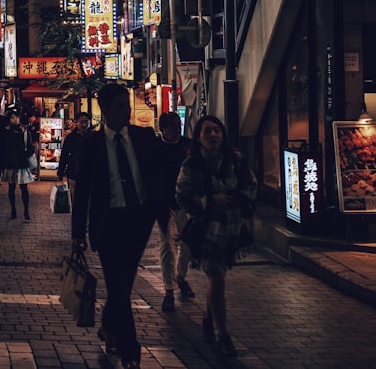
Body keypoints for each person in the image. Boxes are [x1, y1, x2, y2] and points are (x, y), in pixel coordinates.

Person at [71, 83, 166, 369]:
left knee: (123, 285)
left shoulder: (144, 137)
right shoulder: (91, 145)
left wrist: (160, 211)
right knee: (118, 285)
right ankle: (130, 352)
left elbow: (157, 176)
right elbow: (83, 192)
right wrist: (77, 235)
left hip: (138, 221)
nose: (127, 111)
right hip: (108, 222)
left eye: (128, 105)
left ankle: (110, 326)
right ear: (106, 110)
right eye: (121, 106)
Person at [176, 114, 258, 358]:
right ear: (198, 137)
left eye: (217, 131)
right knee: (217, 277)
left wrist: (240, 202)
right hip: (206, 230)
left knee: (217, 279)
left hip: (231, 229)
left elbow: (251, 186)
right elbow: (182, 195)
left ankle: (208, 318)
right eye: (207, 131)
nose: (213, 135)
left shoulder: (235, 160)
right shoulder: (191, 165)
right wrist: (210, 200)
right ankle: (223, 335)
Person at [158, 111, 196, 312]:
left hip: (186, 204)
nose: (176, 130)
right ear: (162, 129)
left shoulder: (188, 146)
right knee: (167, 246)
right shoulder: (155, 148)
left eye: (178, 125)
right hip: (164, 205)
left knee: (187, 244)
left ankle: (181, 277)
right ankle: (169, 289)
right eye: (171, 126)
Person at [0, 109, 34, 220]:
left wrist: (26, 154)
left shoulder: (24, 131)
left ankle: (26, 211)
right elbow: (3, 148)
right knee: (11, 188)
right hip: (10, 164)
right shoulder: (5, 132)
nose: (15, 119)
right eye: (12, 118)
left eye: (16, 117)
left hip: (22, 163)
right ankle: (13, 209)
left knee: (24, 188)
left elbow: (30, 146)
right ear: (9, 120)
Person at [56, 112, 92, 201]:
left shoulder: (94, 137)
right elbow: (64, 155)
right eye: (81, 122)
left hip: (90, 174)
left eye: (86, 122)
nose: (84, 125)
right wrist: (60, 171)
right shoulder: (71, 138)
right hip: (74, 173)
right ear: (76, 122)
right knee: (75, 200)